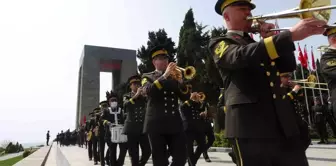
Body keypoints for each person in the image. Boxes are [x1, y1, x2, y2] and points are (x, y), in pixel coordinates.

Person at [209, 0, 326, 165]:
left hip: (283, 124)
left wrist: (274, 37)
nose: (248, 13)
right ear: (226, 16)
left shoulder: (260, 45)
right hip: (250, 128)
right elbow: (240, 57)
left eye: (249, 9)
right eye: (242, 9)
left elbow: (287, 66)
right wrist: (288, 36)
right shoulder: (219, 43)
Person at [141, 45, 190, 166]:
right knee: (160, 161)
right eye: (161, 58)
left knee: (181, 158)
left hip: (174, 123)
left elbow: (185, 97)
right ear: (154, 62)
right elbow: (149, 92)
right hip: (156, 124)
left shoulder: (174, 77)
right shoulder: (147, 76)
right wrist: (164, 76)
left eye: (166, 58)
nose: (165, 61)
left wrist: (181, 83)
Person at [123, 74, 151, 166]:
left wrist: (145, 95)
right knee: (133, 154)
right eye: (134, 84)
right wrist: (137, 95)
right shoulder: (127, 96)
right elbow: (126, 105)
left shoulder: (144, 97)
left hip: (143, 128)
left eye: (138, 84)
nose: (137, 86)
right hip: (131, 128)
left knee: (147, 151)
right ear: (130, 86)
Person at [180, 92, 206, 166]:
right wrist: (191, 99)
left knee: (203, 145)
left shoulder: (195, 103)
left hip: (198, 128)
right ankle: (192, 164)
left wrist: (198, 99)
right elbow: (183, 107)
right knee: (189, 149)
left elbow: (200, 107)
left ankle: (192, 161)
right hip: (188, 128)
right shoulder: (184, 103)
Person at [102, 91, 128, 166]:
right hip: (110, 134)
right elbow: (101, 119)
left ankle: (119, 163)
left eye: (115, 100)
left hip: (121, 133)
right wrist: (107, 122)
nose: (114, 102)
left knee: (123, 150)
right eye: (112, 100)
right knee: (112, 152)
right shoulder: (106, 111)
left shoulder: (121, 110)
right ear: (109, 102)